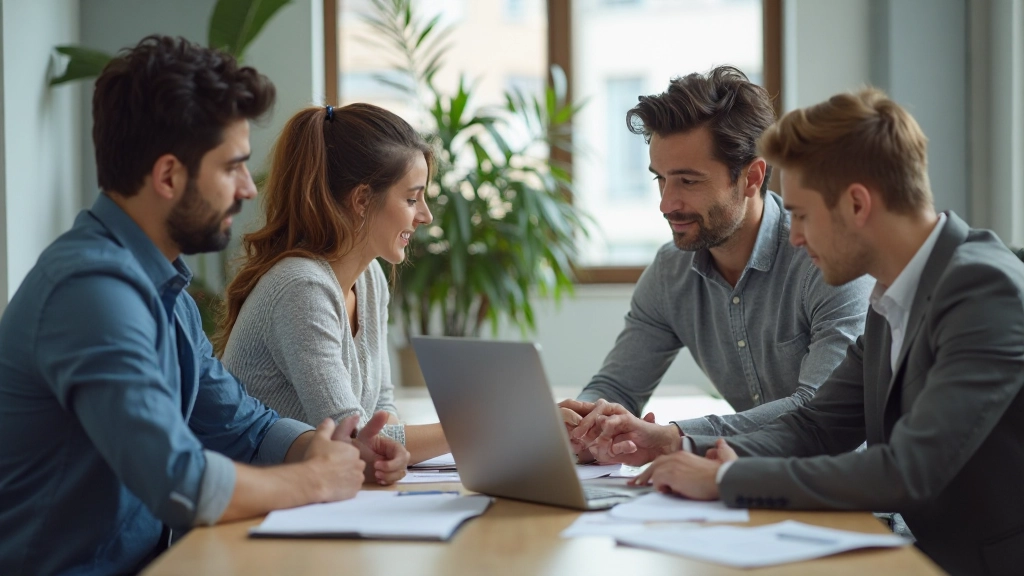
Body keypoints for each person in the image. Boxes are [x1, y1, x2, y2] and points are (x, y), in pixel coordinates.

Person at [0, 36, 408, 576]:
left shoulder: (164, 292)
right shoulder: (90, 293)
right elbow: (178, 480)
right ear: (168, 176)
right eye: (231, 167)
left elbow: (243, 425)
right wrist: (313, 479)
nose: (246, 189)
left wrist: (319, 448)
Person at [629, 88, 1024, 575]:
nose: (793, 237)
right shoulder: (894, 294)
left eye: (800, 215)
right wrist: (685, 449)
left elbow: (908, 469)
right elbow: (817, 424)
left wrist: (730, 479)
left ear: (857, 204)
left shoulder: (983, 288)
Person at [560, 66, 873, 464]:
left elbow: (820, 409)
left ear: (751, 178)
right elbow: (617, 385)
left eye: (688, 181)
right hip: (737, 489)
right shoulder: (670, 272)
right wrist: (583, 422)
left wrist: (676, 438)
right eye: (661, 179)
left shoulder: (825, 261)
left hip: (842, 498)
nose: (666, 203)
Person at [216, 103, 449, 464]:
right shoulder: (301, 288)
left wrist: (395, 456)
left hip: (313, 493)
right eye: (410, 198)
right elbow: (350, 434)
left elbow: (381, 411)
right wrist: (494, 426)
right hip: (261, 505)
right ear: (361, 200)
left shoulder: (370, 279)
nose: (425, 215)